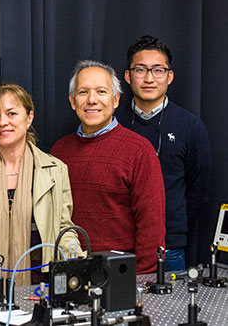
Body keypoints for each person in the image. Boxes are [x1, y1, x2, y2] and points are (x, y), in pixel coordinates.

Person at [0, 83, 81, 290]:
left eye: (12, 113)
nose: (3, 122)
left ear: (29, 118)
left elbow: (63, 228)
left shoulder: (55, 169)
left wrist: (77, 267)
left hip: (39, 282)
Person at [50, 60, 166, 274]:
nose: (92, 100)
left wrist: (138, 280)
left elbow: (151, 228)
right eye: (83, 92)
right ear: (72, 101)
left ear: (115, 100)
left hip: (119, 274)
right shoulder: (58, 151)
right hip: (68, 271)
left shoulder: (139, 151)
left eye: (101, 91)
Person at [116, 36, 211, 271]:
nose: (149, 78)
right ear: (128, 76)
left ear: (169, 76)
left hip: (168, 249)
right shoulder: (113, 122)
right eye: (140, 70)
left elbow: (198, 190)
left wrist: (173, 223)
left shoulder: (190, 125)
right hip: (118, 249)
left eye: (157, 70)